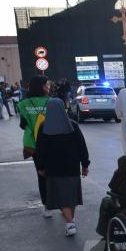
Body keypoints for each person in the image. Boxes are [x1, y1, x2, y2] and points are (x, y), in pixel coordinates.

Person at [34, 98, 90, 236]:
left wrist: (40, 166)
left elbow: (40, 150)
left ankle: (70, 223)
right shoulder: (73, 126)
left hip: (54, 168)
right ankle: (71, 219)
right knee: (72, 195)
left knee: (61, 196)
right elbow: (82, 146)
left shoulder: (44, 127)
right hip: (72, 166)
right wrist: (85, 164)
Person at [17, 76, 53, 216]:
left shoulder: (24, 104)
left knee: (41, 174)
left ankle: (47, 207)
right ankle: (63, 204)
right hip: (52, 143)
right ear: (42, 86)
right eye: (47, 84)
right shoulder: (52, 102)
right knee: (57, 173)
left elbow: (22, 125)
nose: (49, 87)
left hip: (34, 145)